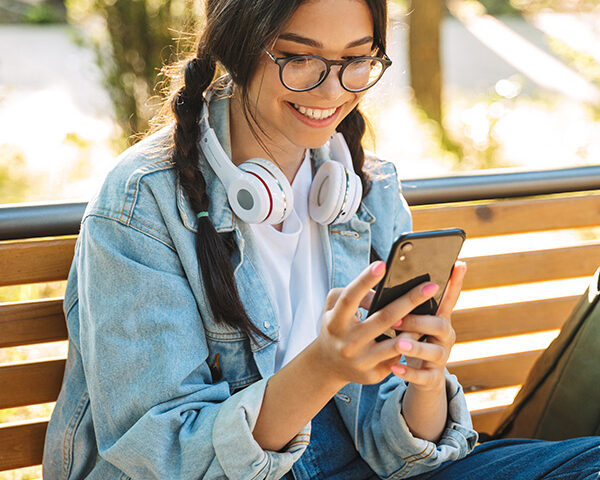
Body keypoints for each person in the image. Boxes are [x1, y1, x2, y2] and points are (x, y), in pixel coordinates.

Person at [43, 0, 600, 479]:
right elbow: (164, 460)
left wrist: (423, 380)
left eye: (356, 59)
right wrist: (324, 368)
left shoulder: (364, 187)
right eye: (301, 57)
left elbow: (408, 455)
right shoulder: (144, 202)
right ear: (240, 45)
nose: (332, 90)